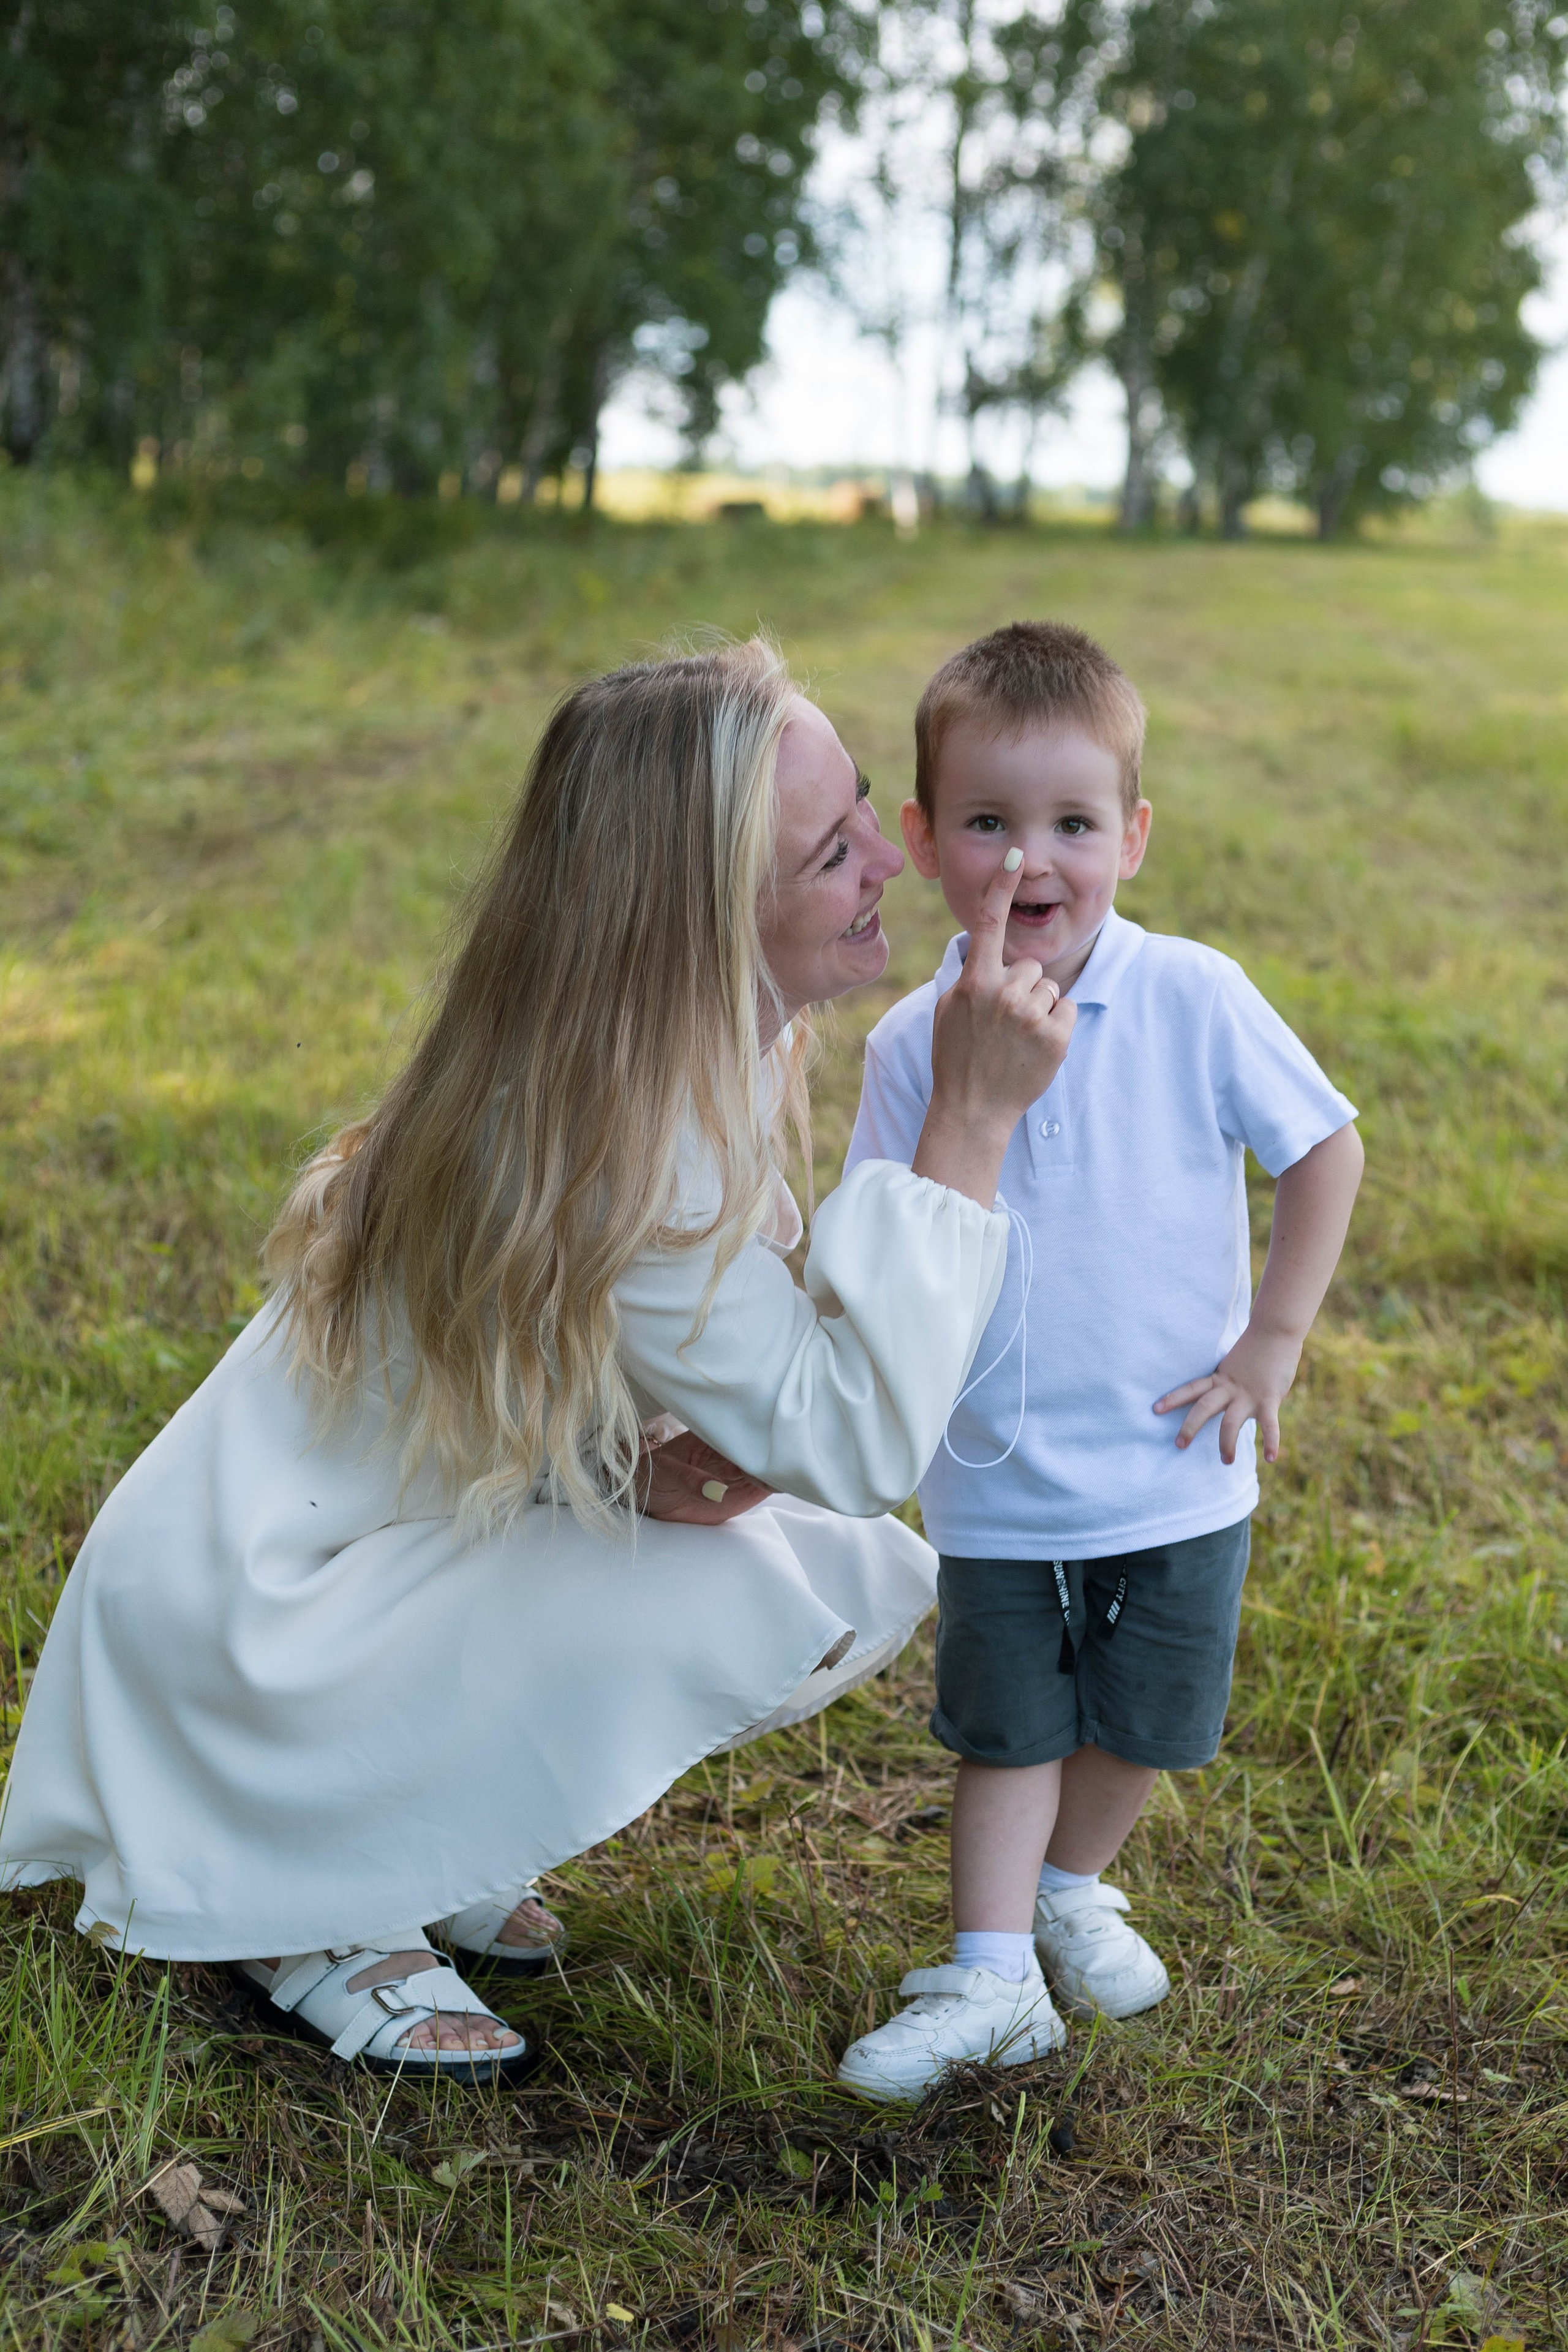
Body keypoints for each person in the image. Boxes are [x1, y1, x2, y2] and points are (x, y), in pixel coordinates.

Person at [1, 638, 1075, 2085]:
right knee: (756, 1573)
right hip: (248, 1631)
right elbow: (862, 1438)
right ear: (700, 919)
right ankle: (306, 1897)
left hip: (331, 1558)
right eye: (832, 853)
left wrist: (620, 1450)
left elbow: (653, 1363)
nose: (894, 856)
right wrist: (969, 1127)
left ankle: (395, 1810)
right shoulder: (617, 1140)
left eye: (867, 809)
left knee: (804, 1550)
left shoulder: (667, 1044)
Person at [835, 620, 1363, 2101]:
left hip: (1177, 1459)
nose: (1030, 862)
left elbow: (1322, 1146)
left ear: (1130, 834)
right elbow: (889, 1241)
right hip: (997, 1473)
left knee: (1146, 1719)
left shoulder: (1190, 994)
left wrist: (1270, 1339)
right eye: (989, 824)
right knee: (1008, 1723)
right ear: (926, 838)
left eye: (1071, 823)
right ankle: (992, 1971)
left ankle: (1073, 1883)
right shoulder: (905, 1046)